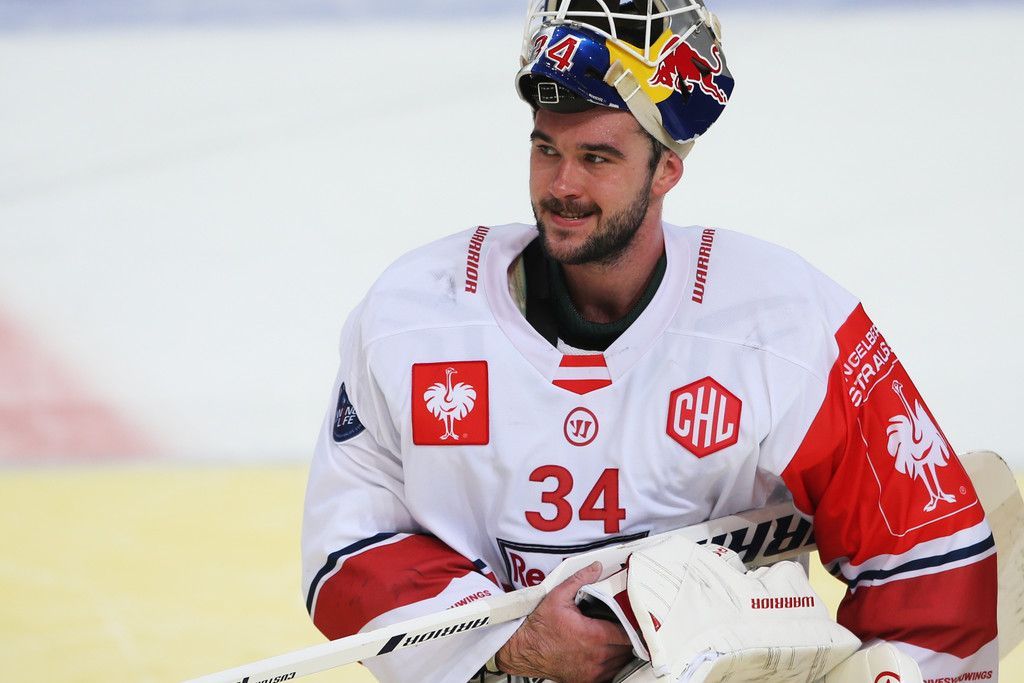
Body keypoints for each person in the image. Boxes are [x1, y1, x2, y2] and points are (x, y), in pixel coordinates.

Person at [301, 1, 998, 681]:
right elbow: (348, 542)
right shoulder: (414, 317)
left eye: (597, 157)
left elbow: (930, 562)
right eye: (546, 148)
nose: (562, 184)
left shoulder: (785, 324)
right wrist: (510, 641)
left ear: (667, 168)